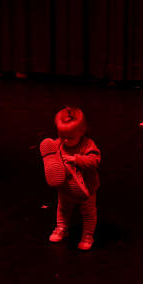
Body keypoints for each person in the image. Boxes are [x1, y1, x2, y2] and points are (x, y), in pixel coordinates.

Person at [39, 106, 101, 251]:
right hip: (66, 187)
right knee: (63, 210)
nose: (65, 141)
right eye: (62, 136)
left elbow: (95, 160)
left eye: (70, 137)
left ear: (82, 131)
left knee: (88, 214)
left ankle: (87, 235)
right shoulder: (58, 144)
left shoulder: (88, 145)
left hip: (87, 189)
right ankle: (61, 228)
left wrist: (76, 159)